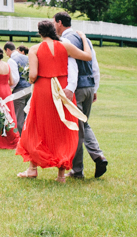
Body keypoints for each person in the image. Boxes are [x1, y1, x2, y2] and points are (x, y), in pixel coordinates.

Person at [15, 20, 93, 182]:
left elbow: (33, 75)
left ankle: (32, 168)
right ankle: (61, 175)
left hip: (43, 89)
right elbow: (87, 56)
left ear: (40, 33)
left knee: (36, 125)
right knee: (61, 128)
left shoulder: (35, 49)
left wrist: (31, 79)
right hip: (61, 89)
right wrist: (84, 39)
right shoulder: (65, 46)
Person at [54, 12, 107, 179]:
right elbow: (95, 65)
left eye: (54, 23)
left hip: (76, 88)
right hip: (89, 86)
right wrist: (95, 87)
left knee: (75, 128)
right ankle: (98, 156)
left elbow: (71, 67)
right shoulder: (85, 39)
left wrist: (69, 87)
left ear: (59, 23)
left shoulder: (65, 41)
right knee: (83, 124)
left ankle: (78, 171)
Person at [0, 46, 20, 149]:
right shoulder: (7, 65)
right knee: (9, 115)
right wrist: (6, 86)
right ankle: (13, 137)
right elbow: (12, 81)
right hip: (7, 90)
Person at [4, 42, 30, 133]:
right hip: (30, 89)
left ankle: (20, 138)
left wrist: (10, 87)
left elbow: (15, 79)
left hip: (20, 90)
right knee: (27, 115)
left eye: (6, 52)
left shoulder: (12, 60)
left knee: (18, 115)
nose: (6, 55)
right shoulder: (27, 57)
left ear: (8, 50)